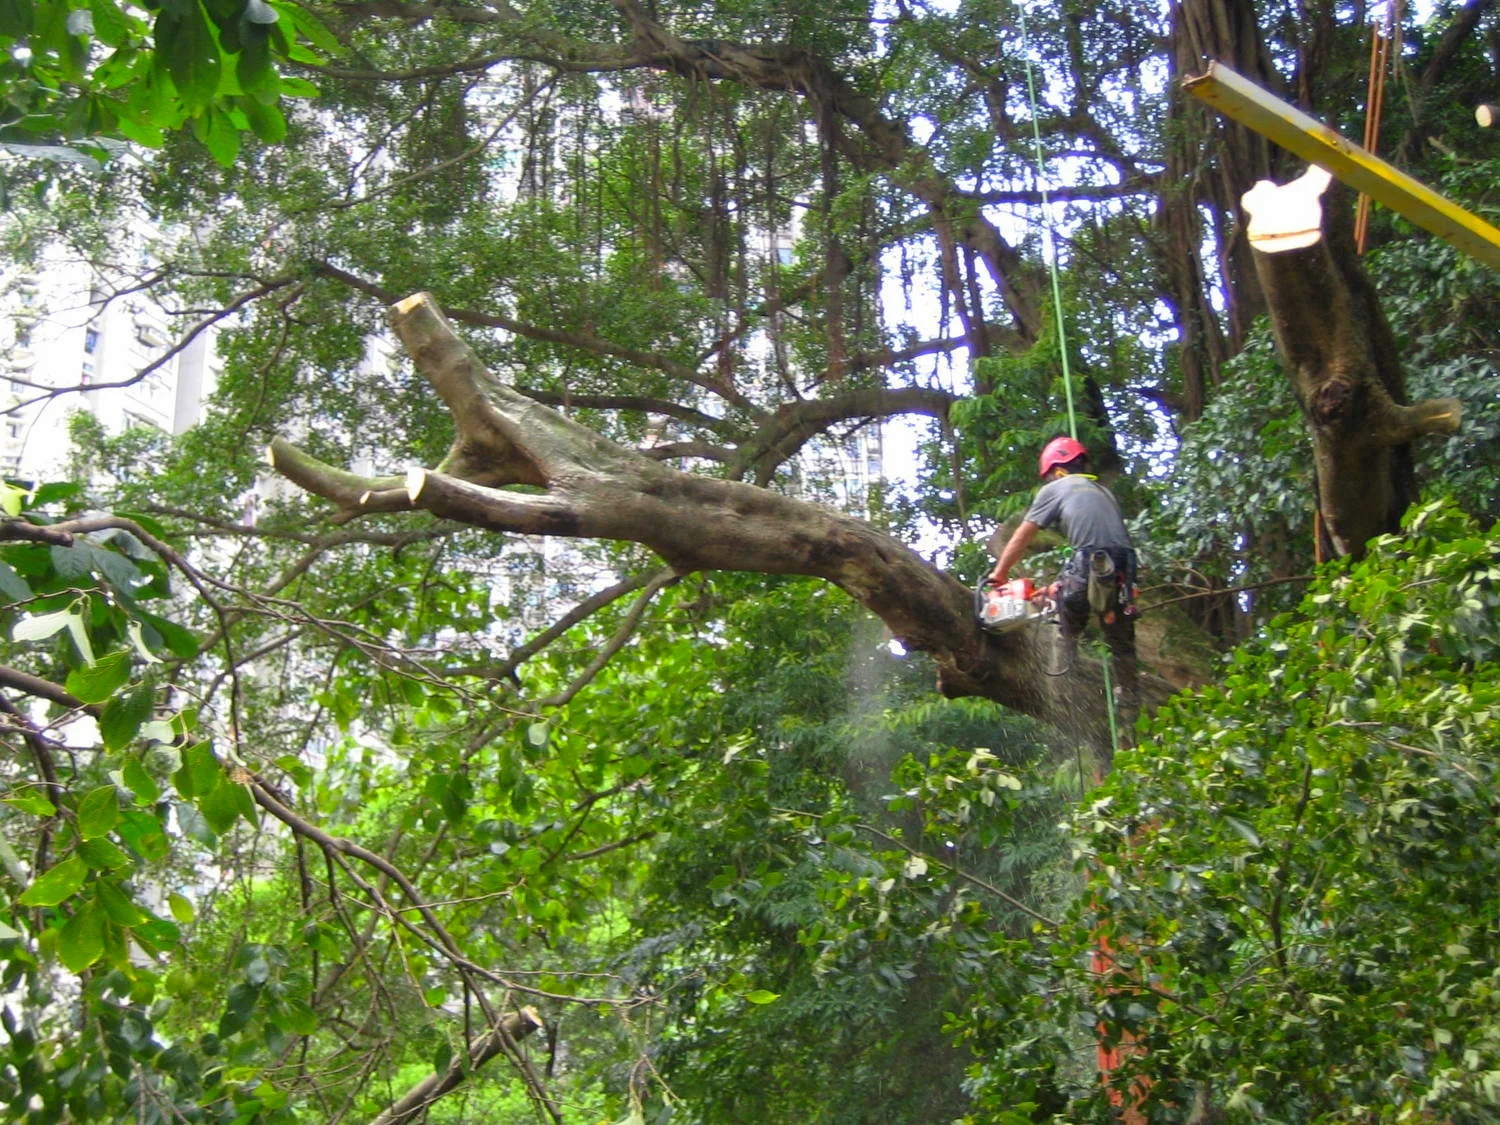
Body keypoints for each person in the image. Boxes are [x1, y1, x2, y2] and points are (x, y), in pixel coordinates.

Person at [987, 435, 1139, 728]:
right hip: (1124, 569)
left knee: (1064, 629)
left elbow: (1024, 534)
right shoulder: (1102, 491)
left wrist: (1000, 572)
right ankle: (1130, 708)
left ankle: (1060, 696)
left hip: (1090, 561)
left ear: (1057, 471)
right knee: (1121, 646)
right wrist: (1058, 587)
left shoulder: (1056, 487)